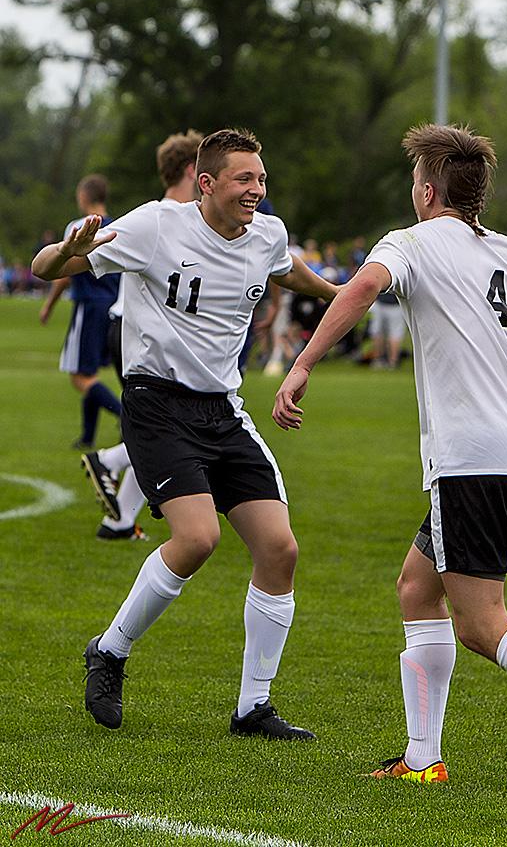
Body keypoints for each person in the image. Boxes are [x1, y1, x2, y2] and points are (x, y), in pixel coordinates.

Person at [272, 123, 507, 799]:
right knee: (417, 588)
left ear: (427, 191)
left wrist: (301, 364)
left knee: (483, 622)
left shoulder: (411, 243)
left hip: (468, 459)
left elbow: (363, 287)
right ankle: (423, 757)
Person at [32, 127, 339, 740]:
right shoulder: (156, 226)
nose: (257, 190)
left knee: (280, 549)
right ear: (206, 183)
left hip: (223, 410)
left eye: (261, 179)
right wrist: (67, 248)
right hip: (156, 405)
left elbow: (289, 272)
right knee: (197, 538)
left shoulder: (267, 235)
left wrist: (345, 294)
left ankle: (253, 708)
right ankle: (110, 652)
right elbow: (46, 270)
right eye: (244, 179)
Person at [81, 129, 203, 541]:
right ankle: (109, 460)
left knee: (161, 424)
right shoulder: (160, 217)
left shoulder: (188, 219)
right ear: (192, 170)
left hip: (137, 335)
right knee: (175, 425)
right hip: (136, 338)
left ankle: (118, 522)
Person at [39, 175, 121, 449]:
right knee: (91, 372)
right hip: (114, 310)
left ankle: (125, 417)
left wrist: (48, 306)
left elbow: (62, 275)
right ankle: (87, 437)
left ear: (84, 196)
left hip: (88, 306)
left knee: (80, 376)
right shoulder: (119, 228)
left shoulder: (78, 227)